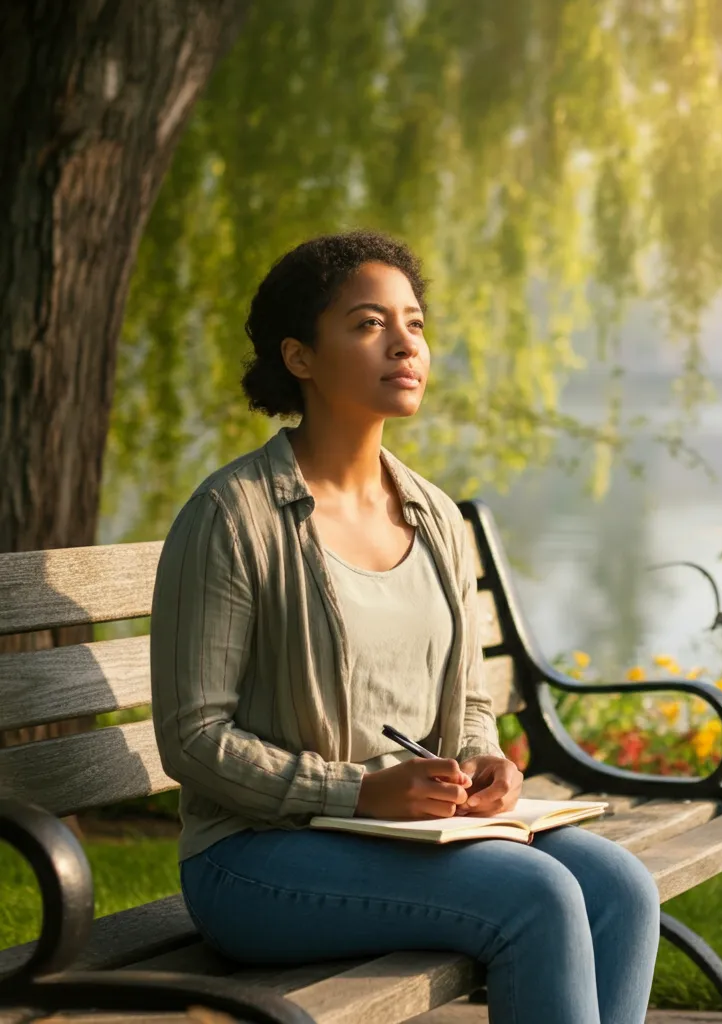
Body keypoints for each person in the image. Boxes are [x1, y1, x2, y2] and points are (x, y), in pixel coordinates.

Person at [149, 231, 660, 1024]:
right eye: (366, 324)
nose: (404, 345)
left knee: (621, 886)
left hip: (413, 838)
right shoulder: (232, 517)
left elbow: (471, 701)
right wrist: (359, 789)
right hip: (254, 858)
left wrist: (485, 764)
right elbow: (194, 738)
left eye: (414, 323)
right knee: (538, 896)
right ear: (300, 357)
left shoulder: (435, 515)